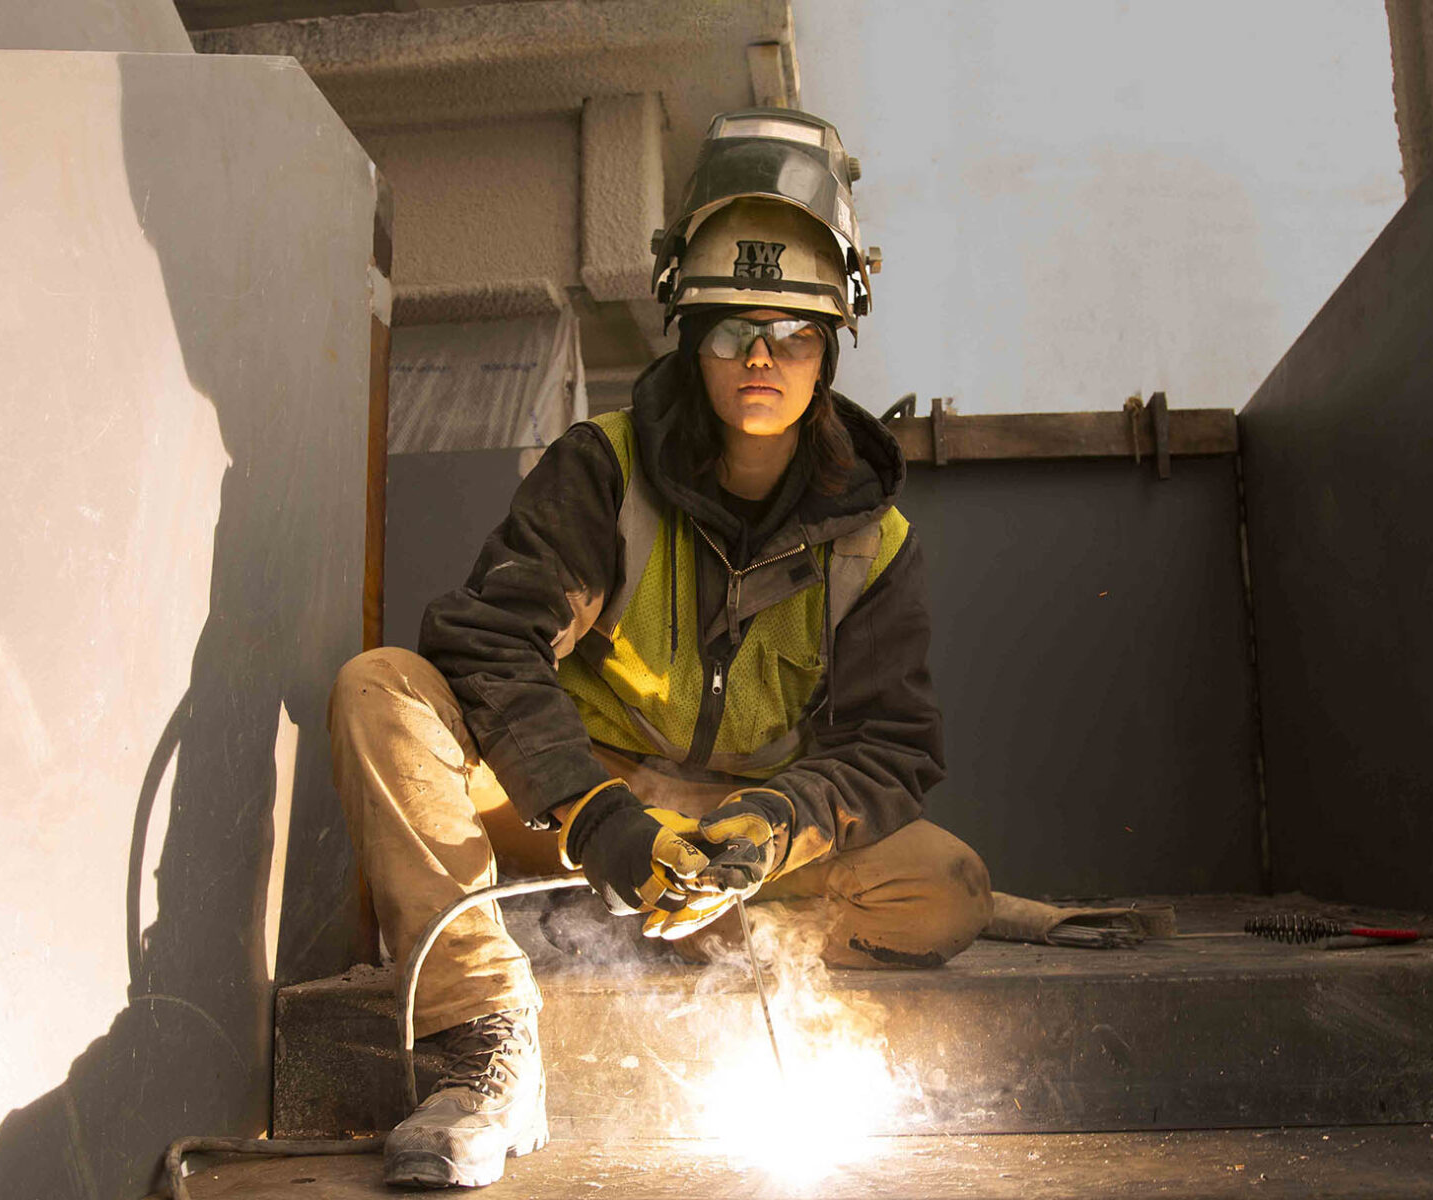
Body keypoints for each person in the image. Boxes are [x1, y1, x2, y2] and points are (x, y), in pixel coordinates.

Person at [327, 107, 992, 1190]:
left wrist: (769, 832)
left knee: (946, 887)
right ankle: (486, 1043)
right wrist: (598, 816)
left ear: (834, 342)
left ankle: (678, 923)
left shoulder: (875, 543)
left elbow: (892, 748)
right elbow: (487, 641)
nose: (763, 357)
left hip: (739, 835)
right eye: (733, 328)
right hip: (576, 808)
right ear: (690, 331)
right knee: (381, 690)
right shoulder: (603, 471)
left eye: (795, 332)